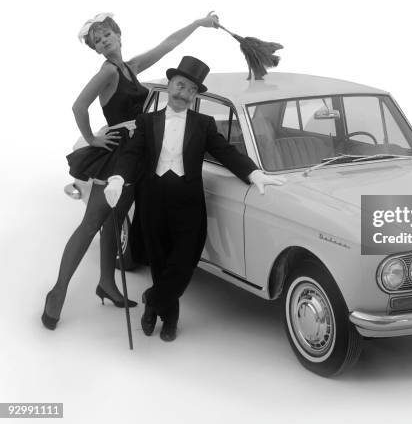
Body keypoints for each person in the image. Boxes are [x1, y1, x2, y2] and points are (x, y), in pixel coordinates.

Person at [42, 12, 220, 330]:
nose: (104, 41)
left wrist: (197, 24)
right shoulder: (108, 71)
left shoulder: (130, 67)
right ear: (96, 49)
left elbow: (167, 45)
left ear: (119, 34)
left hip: (138, 152)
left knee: (115, 217)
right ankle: (57, 293)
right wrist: (96, 137)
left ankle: (106, 283)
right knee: (91, 224)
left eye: (107, 34)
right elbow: (78, 106)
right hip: (117, 155)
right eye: (97, 40)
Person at [103, 56, 284, 342]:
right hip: (152, 201)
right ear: (170, 85)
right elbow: (131, 154)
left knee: (184, 261)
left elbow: (226, 152)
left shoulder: (204, 124)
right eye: (179, 85)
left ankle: (153, 301)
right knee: (160, 261)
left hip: (188, 204)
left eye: (190, 90)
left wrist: (253, 173)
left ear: (195, 95)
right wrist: (117, 177)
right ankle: (170, 318)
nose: (182, 93)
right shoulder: (147, 121)